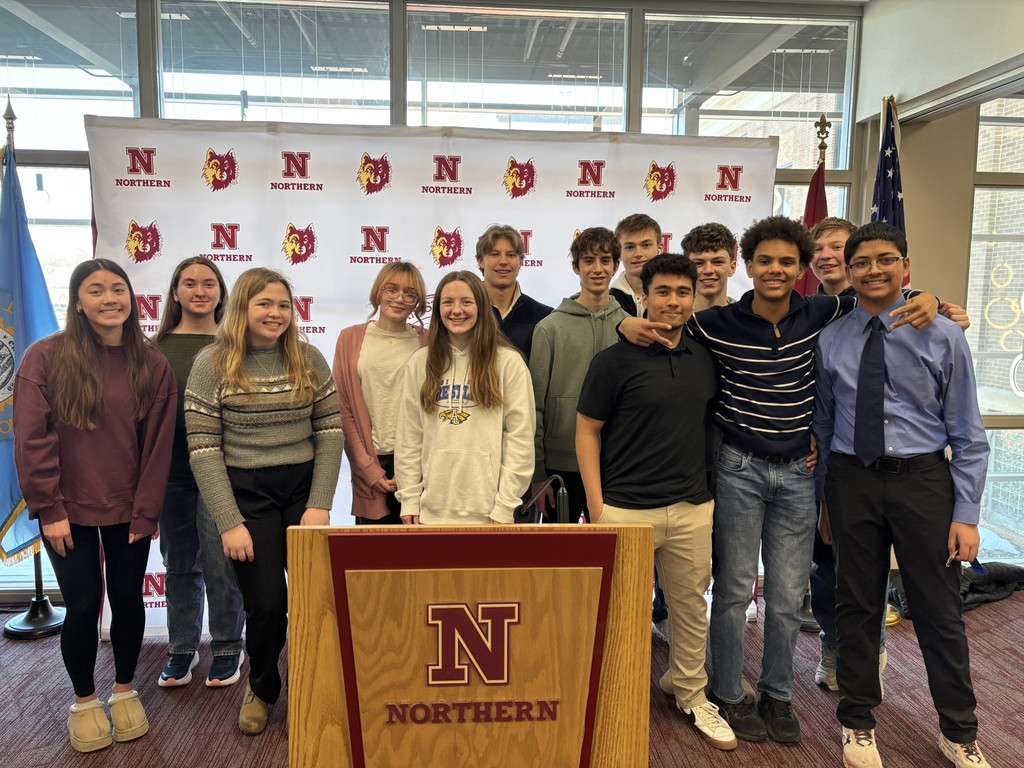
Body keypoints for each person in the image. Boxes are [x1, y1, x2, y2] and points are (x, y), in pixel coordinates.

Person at [619, 216, 938, 745]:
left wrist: (927, 296)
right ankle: (726, 692)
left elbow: (879, 292)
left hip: (798, 474)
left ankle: (777, 694)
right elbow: (663, 327)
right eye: (765, 260)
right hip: (738, 470)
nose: (775, 270)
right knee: (733, 591)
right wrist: (623, 324)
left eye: (787, 261)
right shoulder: (715, 322)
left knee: (788, 596)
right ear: (748, 266)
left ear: (802, 267)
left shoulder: (822, 311)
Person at [813, 222, 991, 768]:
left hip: (923, 482)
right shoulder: (832, 337)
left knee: (939, 610)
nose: (872, 270)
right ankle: (859, 722)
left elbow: (967, 431)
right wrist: (826, 502)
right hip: (851, 480)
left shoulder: (943, 333)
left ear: (905, 268)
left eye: (885, 260)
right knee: (857, 606)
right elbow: (823, 425)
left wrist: (966, 513)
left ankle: (959, 731)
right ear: (849, 270)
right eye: (861, 261)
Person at [13, 259, 176, 753]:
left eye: (118, 289)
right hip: (66, 511)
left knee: (128, 601)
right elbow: (32, 439)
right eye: (96, 290)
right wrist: (49, 507)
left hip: (129, 511)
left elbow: (158, 445)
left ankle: (125, 690)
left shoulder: (151, 363)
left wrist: (146, 511)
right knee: (83, 606)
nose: (110, 299)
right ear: (78, 302)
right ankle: (84, 700)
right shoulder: (44, 358)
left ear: (130, 298)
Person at [576, 253, 736, 751]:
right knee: (623, 610)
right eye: (662, 292)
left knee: (690, 607)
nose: (673, 301)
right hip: (624, 507)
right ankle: (615, 694)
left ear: (694, 298)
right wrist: (597, 507)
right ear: (643, 296)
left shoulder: (705, 357)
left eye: (682, 292)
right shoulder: (613, 360)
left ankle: (690, 692)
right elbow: (586, 430)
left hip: (691, 505)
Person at [185, 267, 343, 735]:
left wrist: (320, 502)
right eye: (264, 304)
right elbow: (204, 449)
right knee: (268, 605)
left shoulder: (308, 357)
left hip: (302, 490)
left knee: (320, 599)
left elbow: (330, 432)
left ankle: (318, 685)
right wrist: (229, 521)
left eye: (282, 305)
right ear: (241, 309)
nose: (275, 314)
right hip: (246, 495)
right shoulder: (212, 363)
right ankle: (262, 687)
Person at [153, 257, 246, 689]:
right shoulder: (154, 348)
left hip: (221, 472)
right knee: (178, 565)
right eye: (188, 283)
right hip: (169, 473)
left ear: (221, 293)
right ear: (175, 293)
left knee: (219, 563)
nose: (199, 291)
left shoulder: (236, 344)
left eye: (209, 284)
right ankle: (182, 648)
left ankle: (228, 646)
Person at [395, 271, 534, 525]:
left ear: (481, 306)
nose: (456, 310)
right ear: (438, 309)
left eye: (466, 302)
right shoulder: (420, 363)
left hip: (490, 514)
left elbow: (520, 441)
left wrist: (505, 506)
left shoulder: (508, 363)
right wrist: (409, 499)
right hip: (430, 513)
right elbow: (409, 437)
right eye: (448, 302)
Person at [530, 227, 628, 523]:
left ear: (615, 266)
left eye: (605, 260)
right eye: (588, 261)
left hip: (616, 463)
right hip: (561, 470)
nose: (597, 269)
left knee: (616, 554)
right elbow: (534, 406)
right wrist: (538, 473)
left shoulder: (630, 326)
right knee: (562, 561)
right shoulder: (550, 328)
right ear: (576, 267)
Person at [333, 262, 427, 524]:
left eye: (410, 293)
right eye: (391, 289)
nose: (400, 298)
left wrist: (415, 470)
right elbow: (343, 411)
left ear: (417, 302)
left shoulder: (429, 341)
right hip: (371, 465)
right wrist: (369, 470)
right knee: (374, 559)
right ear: (378, 291)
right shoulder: (349, 338)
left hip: (419, 466)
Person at [475, 224, 552, 360]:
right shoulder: (463, 314)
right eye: (494, 254)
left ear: (520, 262)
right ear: (480, 261)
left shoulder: (544, 317)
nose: (503, 261)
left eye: (511, 255)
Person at [610, 212, 663, 316]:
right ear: (618, 253)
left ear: (659, 248)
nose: (638, 254)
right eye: (630, 247)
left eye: (646, 245)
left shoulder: (676, 298)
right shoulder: (607, 301)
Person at [682, 222, 738, 312]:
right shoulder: (669, 321)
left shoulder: (748, 321)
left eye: (718, 262)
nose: (708, 270)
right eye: (698, 263)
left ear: (732, 268)